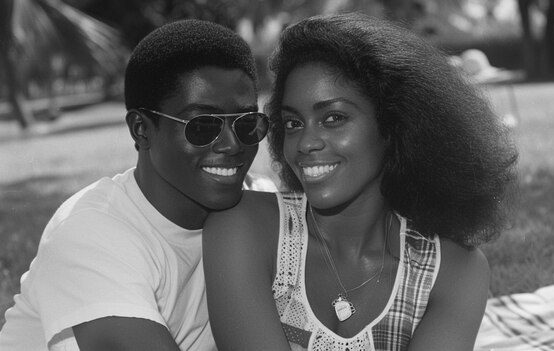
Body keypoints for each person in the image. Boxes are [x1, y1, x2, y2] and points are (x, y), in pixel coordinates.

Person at [203, 12, 518, 350]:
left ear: (393, 124)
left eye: (333, 118)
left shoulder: (452, 272)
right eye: (293, 123)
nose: (306, 142)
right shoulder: (244, 227)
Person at [0, 19, 268, 351]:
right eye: (203, 126)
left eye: (247, 123)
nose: (232, 144)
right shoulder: (92, 232)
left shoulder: (262, 205)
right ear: (141, 129)